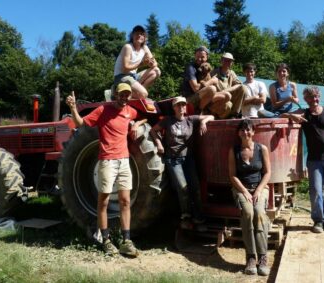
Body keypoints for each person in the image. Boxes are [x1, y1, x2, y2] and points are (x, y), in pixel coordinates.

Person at [66, 83, 146, 257]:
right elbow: (81, 124)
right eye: (121, 95)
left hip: (124, 161)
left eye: (127, 95)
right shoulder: (103, 110)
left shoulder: (129, 111)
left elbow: (141, 116)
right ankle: (106, 240)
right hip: (107, 162)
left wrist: (137, 124)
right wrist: (73, 108)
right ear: (114, 95)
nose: (124, 98)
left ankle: (126, 241)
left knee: (125, 201)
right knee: (103, 202)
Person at [280, 86, 324, 234]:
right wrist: (291, 116)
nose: (314, 100)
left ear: (319, 97)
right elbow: (282, 116)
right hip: (314, 159)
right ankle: (318, 221)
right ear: (306, 99)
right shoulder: (303, 113)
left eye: (316, 97)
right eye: (311, 97)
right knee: (316, 191)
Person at [150, 96, 214, 230]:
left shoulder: (190, 120)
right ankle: (185, 217)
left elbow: (211, 116)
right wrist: (158, 143)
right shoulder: (168, 120)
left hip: (188, 159)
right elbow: (153, 130)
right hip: (173, 159)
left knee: (195, 187)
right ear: (174, 108)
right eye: (178, 105)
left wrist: (203, 122)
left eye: (183, 105)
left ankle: (198, 218)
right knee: (183, 187)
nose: (181, 108)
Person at [228, 119, 271, 276]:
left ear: (253, 132)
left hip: (260, 188)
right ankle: (251, 257)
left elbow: (267, 173)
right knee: (248, 213)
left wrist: (258, 191)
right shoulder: (234, 150)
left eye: (248, 130)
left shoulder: (262, 149)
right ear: (238, 133)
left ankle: (263, 257)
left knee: (259, 213)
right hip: (241, 189)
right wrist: (245, 192)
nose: (245, 133)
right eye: (242, 130)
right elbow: (232, 175)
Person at [113, 25, 161, 99]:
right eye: (136, 33)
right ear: (132, 36)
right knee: (144, 94)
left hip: (133, 76)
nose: (139, 35)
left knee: (157, 71)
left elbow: (155, 64)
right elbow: (125, 69)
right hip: (122, 76)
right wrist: (142, 64)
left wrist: (150, 63)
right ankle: (117, 93)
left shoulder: (145, 48)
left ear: (144, 38)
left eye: (141, 34)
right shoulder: (128, 47)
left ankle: (136, 93)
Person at [181, 46, 230, 115]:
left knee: (227, 96)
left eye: (202, 57)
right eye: (197, 56)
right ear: (195, 56)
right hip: (190, 98)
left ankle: (208, 110)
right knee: (212, 89)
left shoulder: (206, 68)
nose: (199, 59)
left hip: (203, 96)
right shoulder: (191, 68)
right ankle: (199, 110)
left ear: (207, 57)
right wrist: (212, 81)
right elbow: (195, 88)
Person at [211, 52, 247, 119]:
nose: (228, 62)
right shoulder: (213, 72)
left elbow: (239, 84)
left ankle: (234, 114)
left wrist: (227, 90)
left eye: (230, 61)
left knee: (243, 88)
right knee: (228, 105)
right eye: (226, 60)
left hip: (228, 97)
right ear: (221, 60)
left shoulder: (232, 73)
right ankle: (218, 116)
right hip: (218, 100)